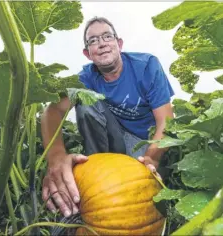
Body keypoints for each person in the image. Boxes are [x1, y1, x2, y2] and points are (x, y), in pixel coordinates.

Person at [41, 16, 174, 218]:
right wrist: (56, 158)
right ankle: (97, 174)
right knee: (85, 103)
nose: (101, 44)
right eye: (93, 41)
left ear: (119, 44)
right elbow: (52, 111)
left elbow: (166, 120)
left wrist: (152, 157)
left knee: (139, 196)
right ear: (87, 54)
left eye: (107, 37)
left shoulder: (146, 65)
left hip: (143, 143)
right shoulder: (85, 78)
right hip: (114, 138)